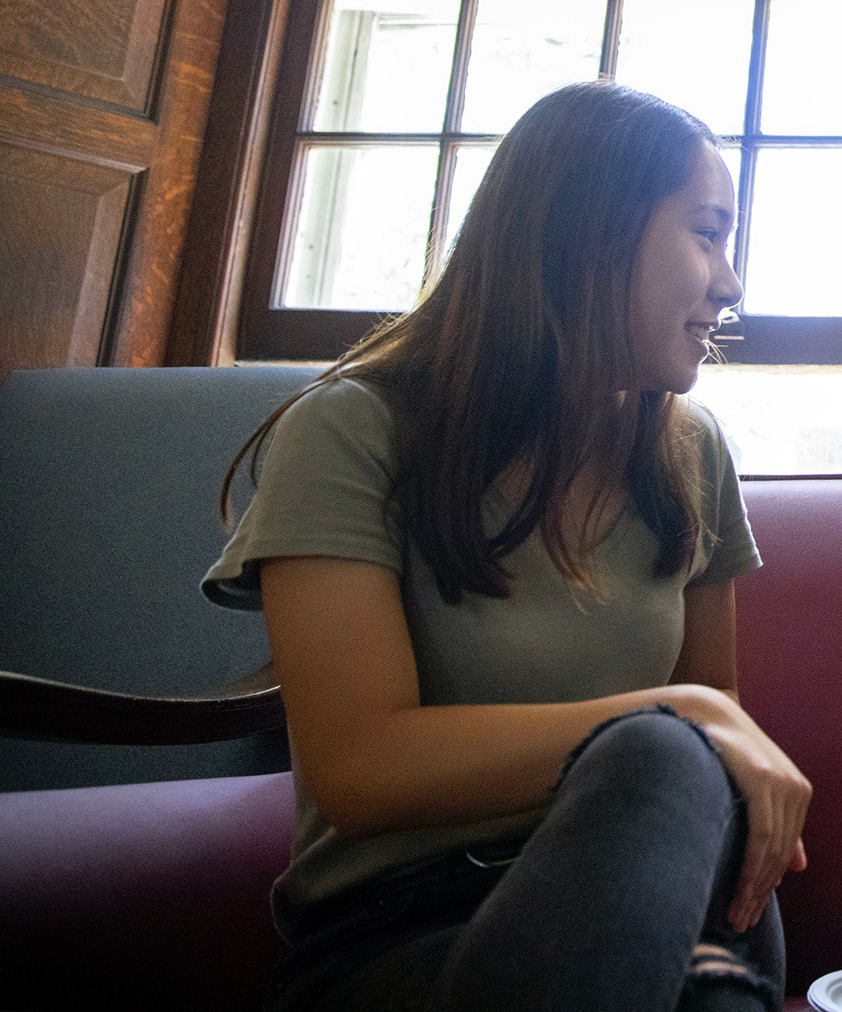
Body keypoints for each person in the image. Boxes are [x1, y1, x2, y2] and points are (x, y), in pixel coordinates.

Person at [204, 81, 809, 1012]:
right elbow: (356, 767)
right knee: (659, 753)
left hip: (661, 917)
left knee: (680, 794)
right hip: (404, 939)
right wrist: (669, 715)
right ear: (591, 234)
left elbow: (711, 731)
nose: (730, 283)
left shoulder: (692, 453)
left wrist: (686, 722)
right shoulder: (354, 431)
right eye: (708, 231)